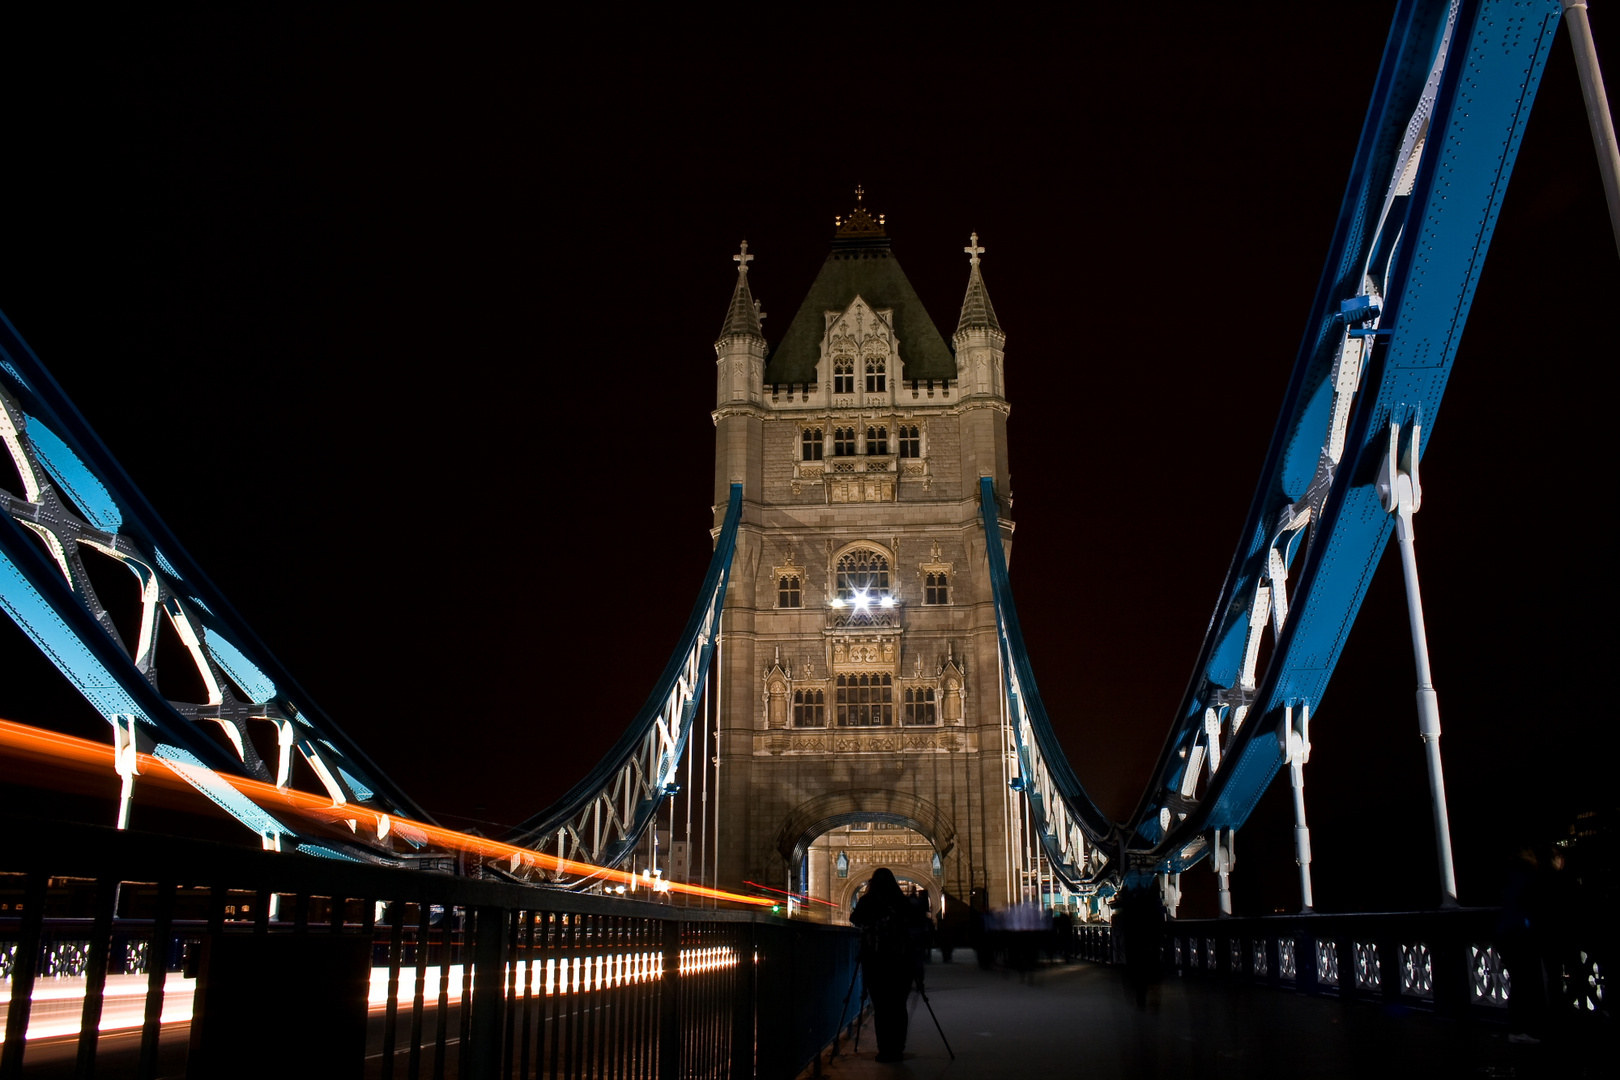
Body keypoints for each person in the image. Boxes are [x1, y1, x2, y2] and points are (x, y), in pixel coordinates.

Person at [851, 868, 925, 1063]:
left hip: (876, 961)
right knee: (899, 1006)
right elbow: (914, 924)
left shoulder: (868, 902)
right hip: (901, 962)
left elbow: (854, 919)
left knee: (881, 1008)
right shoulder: (902, 902)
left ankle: (884, 1050)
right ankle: (898, 1048)